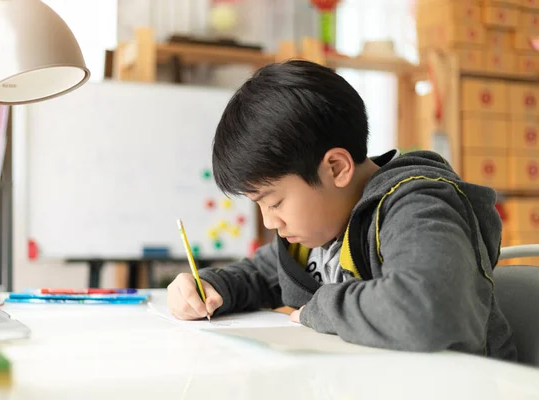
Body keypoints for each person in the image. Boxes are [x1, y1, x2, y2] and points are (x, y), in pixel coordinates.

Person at [167, 60, 516, 359]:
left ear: (335, 168)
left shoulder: (417, 206)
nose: (270, 220)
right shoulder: (319, 229)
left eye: (274, 202)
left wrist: (322, 308)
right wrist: (206, 287)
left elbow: (428, 308)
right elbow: (259, 274)